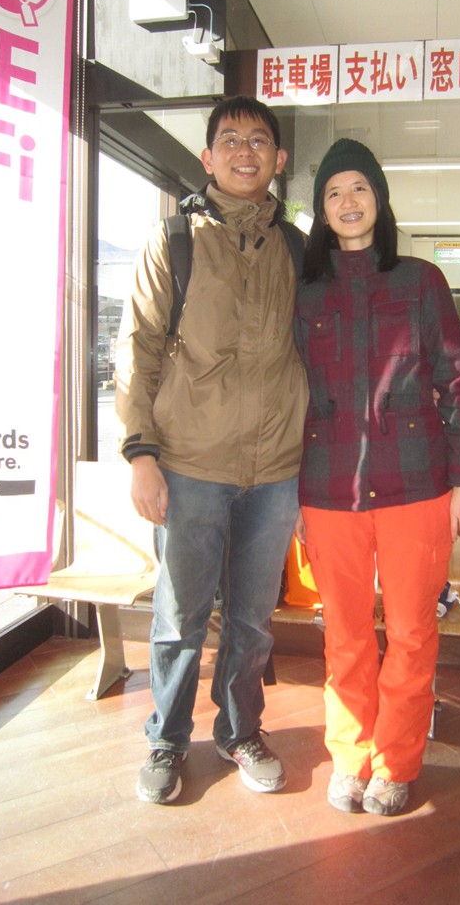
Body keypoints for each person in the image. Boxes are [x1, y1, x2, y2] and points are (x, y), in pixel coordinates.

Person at [115, 96, 308, 804]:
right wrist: (141, 454)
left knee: (253, 619)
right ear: (207, 157)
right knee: (180, 615)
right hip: (190, 463)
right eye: (230, 140)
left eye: (259, 141)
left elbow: (315, 356)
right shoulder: (175, 240)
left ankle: (239, 730)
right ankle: (167, 739)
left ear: (279, 159)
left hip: (276, 469)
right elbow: (137, 348)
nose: (244, 152)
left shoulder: (299, 250)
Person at [293, 139, 460, 816]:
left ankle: (396, 762)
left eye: (359, 188)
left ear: (379, 199)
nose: (347, 202)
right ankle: (350, 757)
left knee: (410, 632)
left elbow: (456, 381)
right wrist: (290, 497)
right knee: (343, 634)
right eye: (333, 192)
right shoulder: (306, 293)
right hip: (328, 488)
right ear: (321, 210)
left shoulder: (421, 281)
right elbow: (290, 395)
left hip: (417, 484)